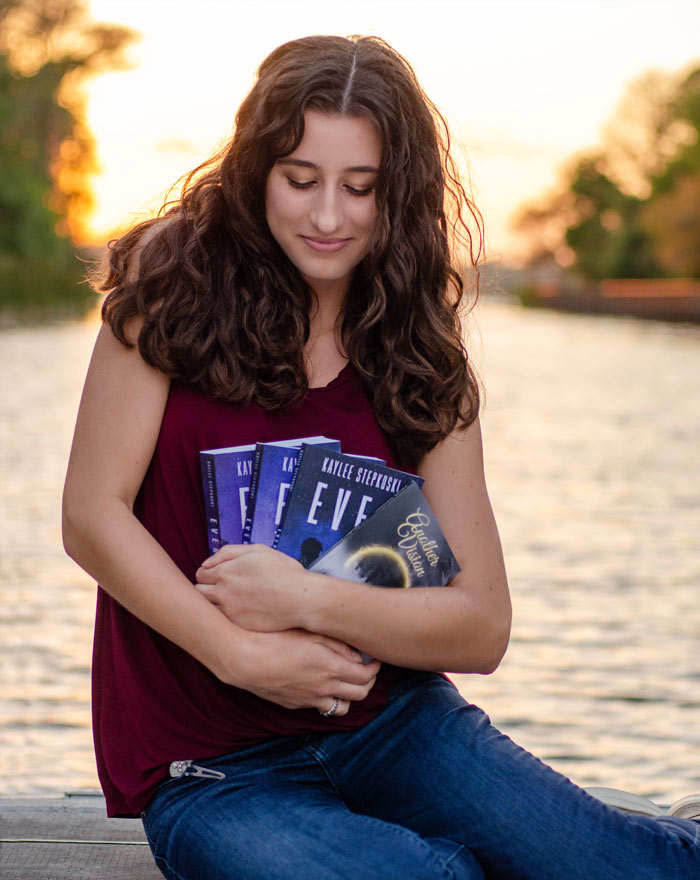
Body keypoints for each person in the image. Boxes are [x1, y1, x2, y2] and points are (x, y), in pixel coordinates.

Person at [62, 34, 700, 880]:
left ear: (396, 194)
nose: (328, 217)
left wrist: (306, 598)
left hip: (397, 727)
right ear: (257, 169)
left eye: (359, 188)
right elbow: (90, 516)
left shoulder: (420, 352)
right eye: (301, 179)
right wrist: (237, 651)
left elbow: (481, 624)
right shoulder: (169, 280)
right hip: (215, 769)